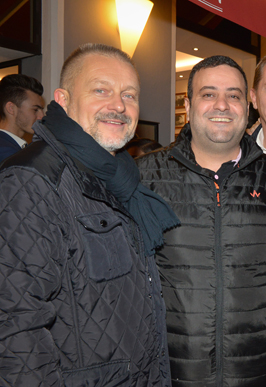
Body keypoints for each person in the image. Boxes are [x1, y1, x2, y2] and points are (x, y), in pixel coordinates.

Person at [0, 43, 179, 386]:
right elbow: (16, 331)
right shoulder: (31, 179)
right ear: (63, 100)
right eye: (101, 90)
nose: (118, 105)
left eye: (129, 95)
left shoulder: (120, 178)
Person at [137, 55, 266, 386]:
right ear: (189, 104)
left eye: (233, 95)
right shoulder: (145, 176)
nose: (222, 105)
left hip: (259, 371)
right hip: (171, 372)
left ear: (247, 106)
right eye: (209, 94)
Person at [0, 74, 44, 162]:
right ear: (11, 108)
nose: (41, 116)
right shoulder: (6, 153)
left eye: (41, 110)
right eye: (35, 110)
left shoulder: (17, 147)